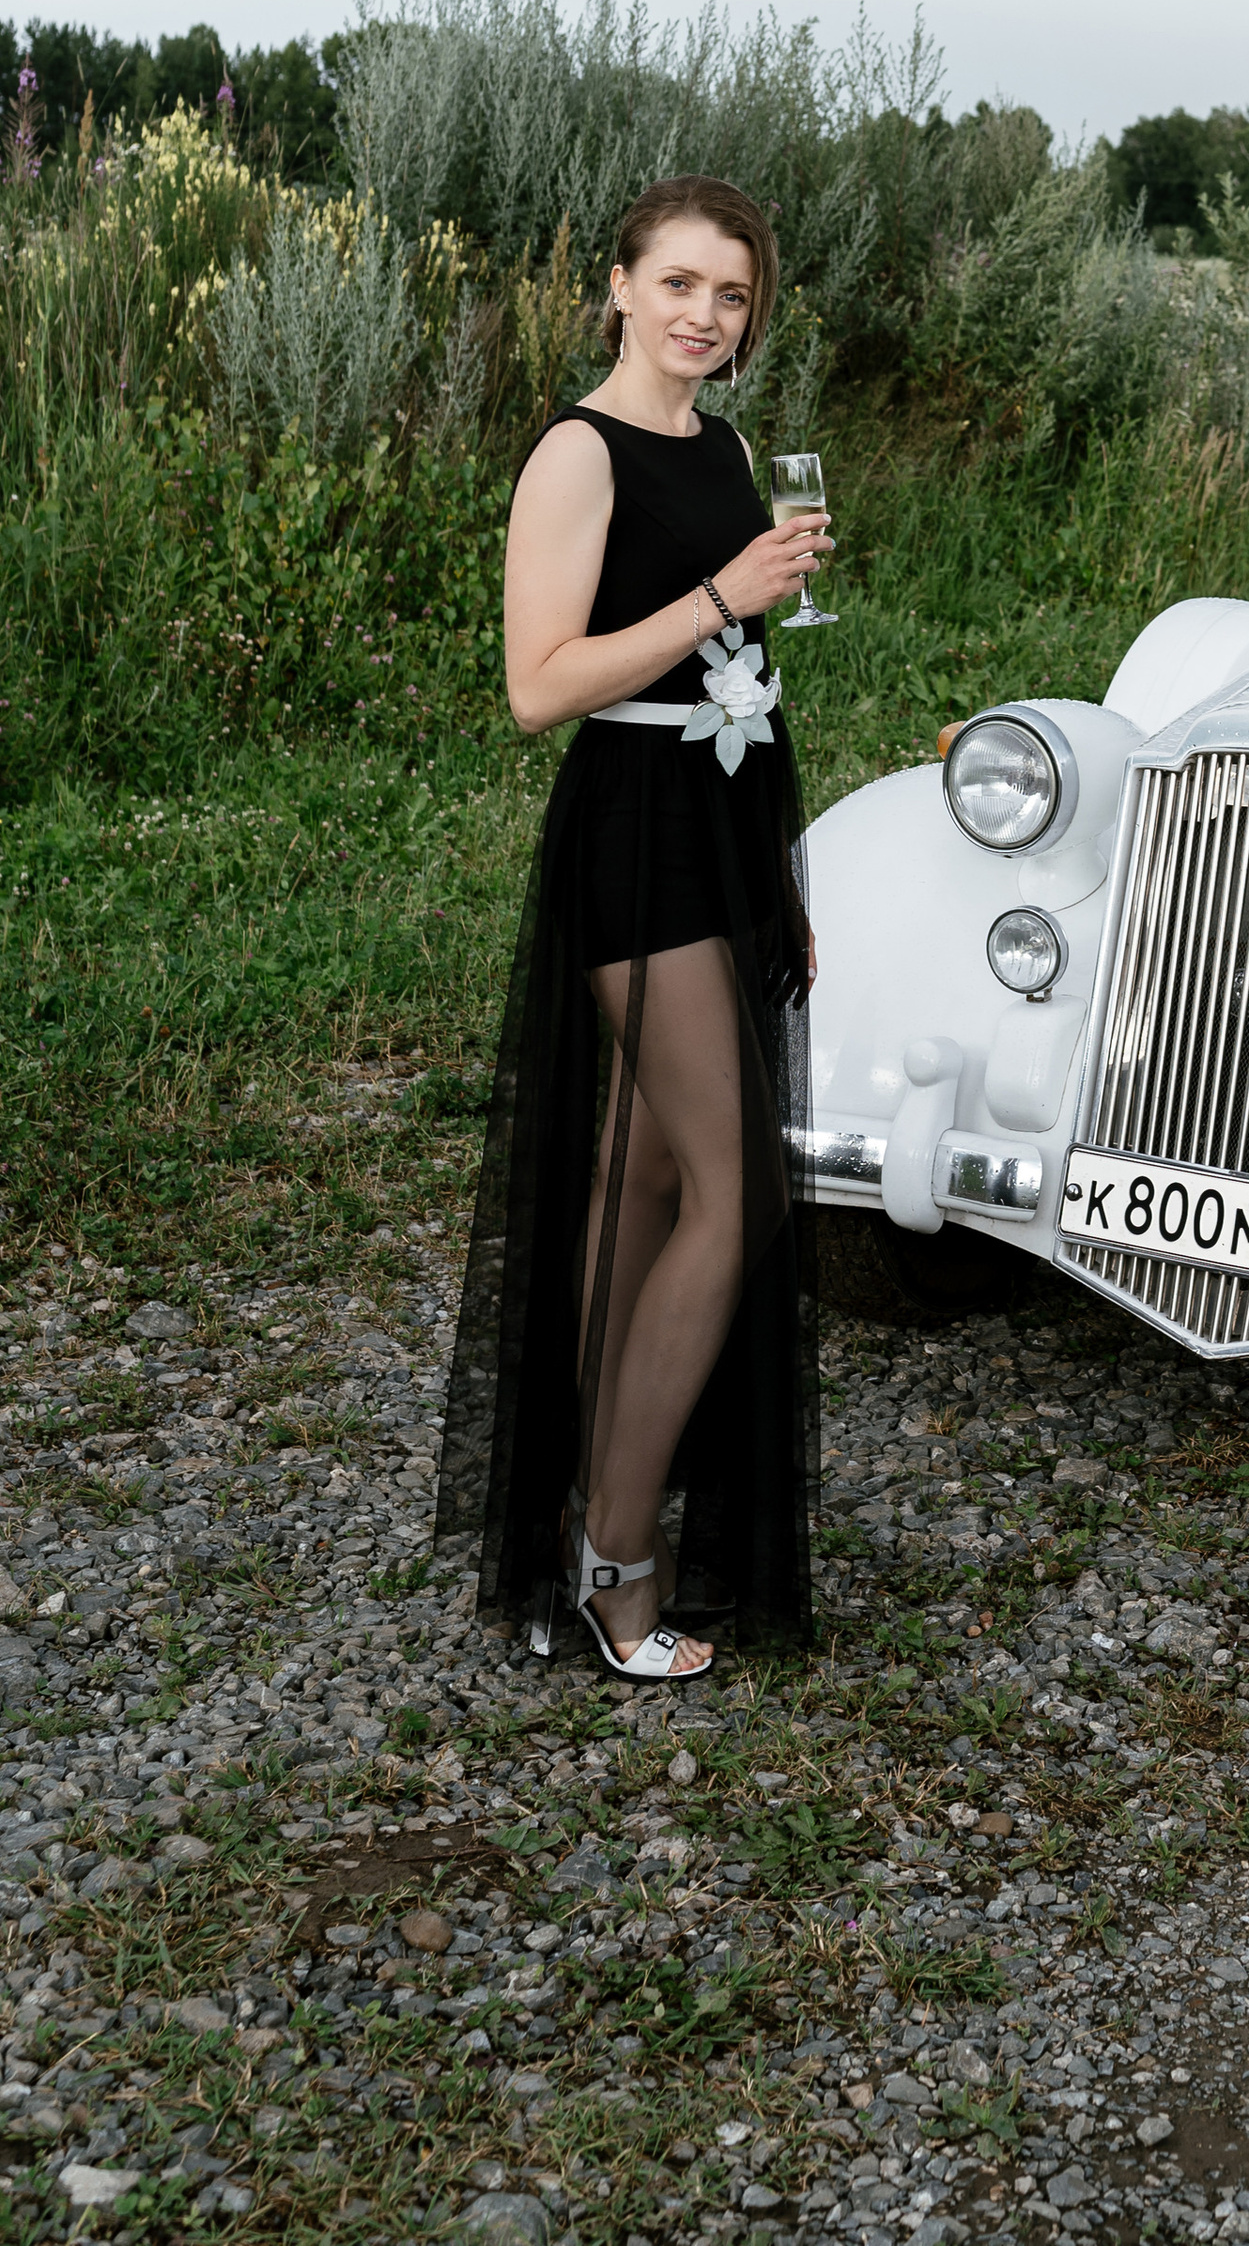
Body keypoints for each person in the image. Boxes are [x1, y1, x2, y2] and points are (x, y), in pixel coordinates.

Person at [435, 176, 831, 1681]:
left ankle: (582, 1497)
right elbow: (539, 685)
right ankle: (616, 1550)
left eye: (731, 293)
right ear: (616, 285)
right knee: (738, 1192)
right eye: (677, 282)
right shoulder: (576, 453)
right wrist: (721, 591)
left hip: (721, 828)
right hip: (634, 836)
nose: (703, 314)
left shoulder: (723, 446)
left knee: (651, 1169)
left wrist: (779, 878)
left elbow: (746, 676)